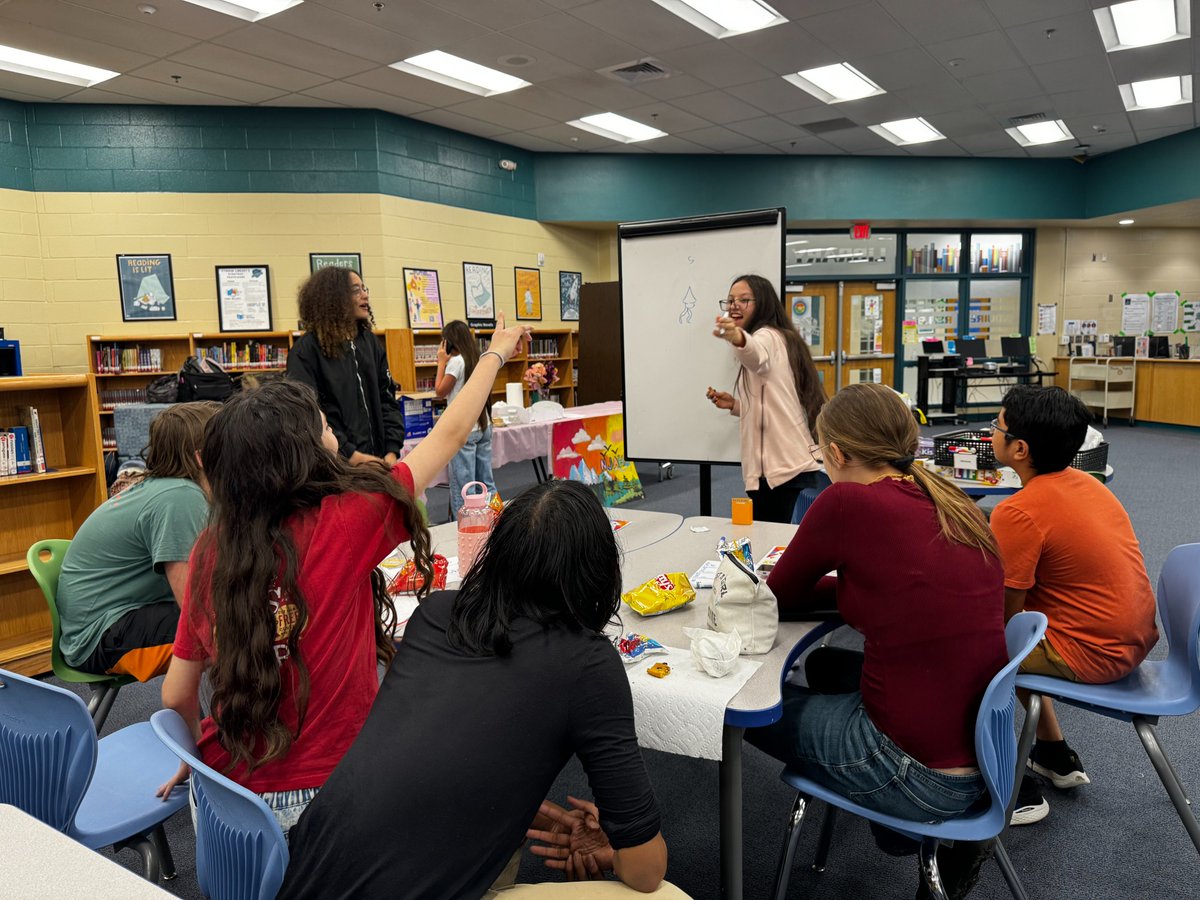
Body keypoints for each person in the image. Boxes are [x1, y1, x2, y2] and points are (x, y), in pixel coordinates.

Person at [157, 317, 531, 838]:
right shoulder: (350, 518)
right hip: (325, 801)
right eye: (323, 425)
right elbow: (449, 432)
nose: (333, 431)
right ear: (301, 453)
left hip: (223, 803)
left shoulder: (209, 550)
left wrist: (195, 753)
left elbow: (175, 695)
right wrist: (495, 353)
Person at [276, 479, 670, 899]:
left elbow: (427, 754)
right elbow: (645, 870)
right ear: (598, 572)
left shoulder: (436, 614)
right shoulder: (587, 665)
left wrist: (517, 808)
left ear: (497, 554)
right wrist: (614, 849)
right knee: (664, 895)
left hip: (304, 876)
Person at [747, 383, 1008, 900]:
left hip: (915, 774)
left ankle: (901, 822)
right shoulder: (949, 499)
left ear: (838, 453)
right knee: (824, 670)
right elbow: (887, 582)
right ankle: (911, 834)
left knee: (745, 711)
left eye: (821, 452)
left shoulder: (845, 501)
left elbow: (780, 595)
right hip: (984, 756)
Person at [988, 386, 1158, 826]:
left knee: (974, 654)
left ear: (1019, 449)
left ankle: (1016, 791)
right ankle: (1054, 756)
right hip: (1129, 638)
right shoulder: (1087, 483)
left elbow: (1004, 619)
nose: (991, 432)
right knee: (1022, 640)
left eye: (997, 426)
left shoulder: (1017, 512)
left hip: (1092, 651)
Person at [56, 402, 220, 683]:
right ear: (202, 458)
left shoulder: (168, 488)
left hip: (112, 620)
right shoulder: (180, 497)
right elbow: (195, 606)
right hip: (99, 637)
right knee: (237, 632)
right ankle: (214, 724)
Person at [705, 274, 828, 523]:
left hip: (778, 471)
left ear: (762, 303)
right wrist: (737, 405)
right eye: (730, 300)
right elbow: (775, 402)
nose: (734, 306)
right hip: (787, 466)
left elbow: (755, 354)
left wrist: (736, 337)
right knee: (773, 539)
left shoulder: (766, 337)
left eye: (744, 300)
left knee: (770, 542)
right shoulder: (782, 337)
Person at [286, 266, 405, 466]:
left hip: (380, 462)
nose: (365, 295)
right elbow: (309, 415)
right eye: (356, 290)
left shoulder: (370, 343)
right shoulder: (305, 352)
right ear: (333, 298)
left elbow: (387, 398)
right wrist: (351, 456)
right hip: (336, 467)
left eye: (365, 289)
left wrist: (392, 450)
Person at [435, 319, 496, 517]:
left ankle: (467, 529)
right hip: (483, 425)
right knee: (487, 482)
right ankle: (495, 519)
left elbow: (440, 391)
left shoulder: (455, 362)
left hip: (465, 429)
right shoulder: (478, 359)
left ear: (449, 342)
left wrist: (441, 363)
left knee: (465, 486)